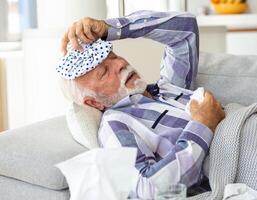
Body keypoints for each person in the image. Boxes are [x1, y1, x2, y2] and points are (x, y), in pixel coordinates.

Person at [58, 10, 225, 199]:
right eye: (104, 72)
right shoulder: (117, 123)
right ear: (93, 102)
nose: (120, 64)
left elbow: (186, 29)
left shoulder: (169, 86)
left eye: (113, 57)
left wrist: (110, 29)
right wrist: (203, 124)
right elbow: (147, 189)